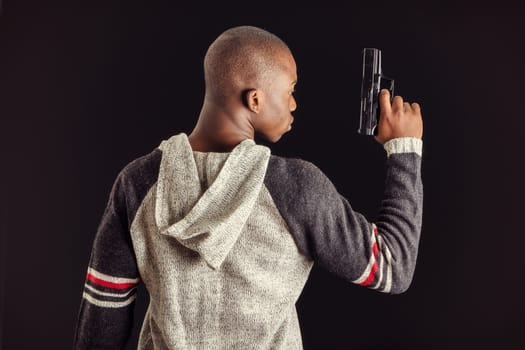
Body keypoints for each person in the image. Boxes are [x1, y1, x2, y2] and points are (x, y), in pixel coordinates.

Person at [73, 25, 423, 349]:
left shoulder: (136, 184)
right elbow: (393, 268)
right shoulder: (296, 189)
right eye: (290, 90)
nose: (293, 104)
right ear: (254, 100)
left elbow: (101, 324)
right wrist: (404, 148)